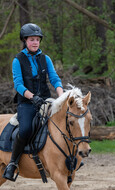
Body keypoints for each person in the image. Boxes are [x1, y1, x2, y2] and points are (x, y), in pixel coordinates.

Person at [3, 23, 63, 181]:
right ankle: (13, 163)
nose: (35, 42)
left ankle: (69, 158)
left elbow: (55, 79)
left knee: (64, 123)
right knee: (25, 130)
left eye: (37, 39)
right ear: (25, 41)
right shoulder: (18, 60)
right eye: (31, 39)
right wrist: (32, 97)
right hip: (27, 103)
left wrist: (62, 97)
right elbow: (18, 84)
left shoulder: (46, 58)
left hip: (46, 101)